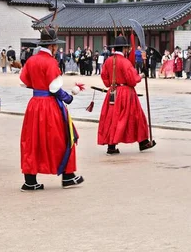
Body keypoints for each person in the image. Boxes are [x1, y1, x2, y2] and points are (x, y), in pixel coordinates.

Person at [19, 27, 83, 191]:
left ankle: (30, 180)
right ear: (53, 46)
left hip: (34, 104)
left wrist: (39, 86)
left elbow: (24, 82)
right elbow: (55, 88)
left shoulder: (32, 60)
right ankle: (68, 176)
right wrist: (68, 97)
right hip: (49, 105)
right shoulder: (51, 62)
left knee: (32, 140)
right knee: (62, 138)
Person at [98, 34, 156, 154]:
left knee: (112, 119)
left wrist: (112, 84)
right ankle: (143, 142)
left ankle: (111, 146)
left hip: (113, 92)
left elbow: (105, 78)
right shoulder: (125, 62)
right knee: (136, 116)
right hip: (126, 94)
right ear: (124, 49)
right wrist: (142, 75)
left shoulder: (108, 61)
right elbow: (132, 80)